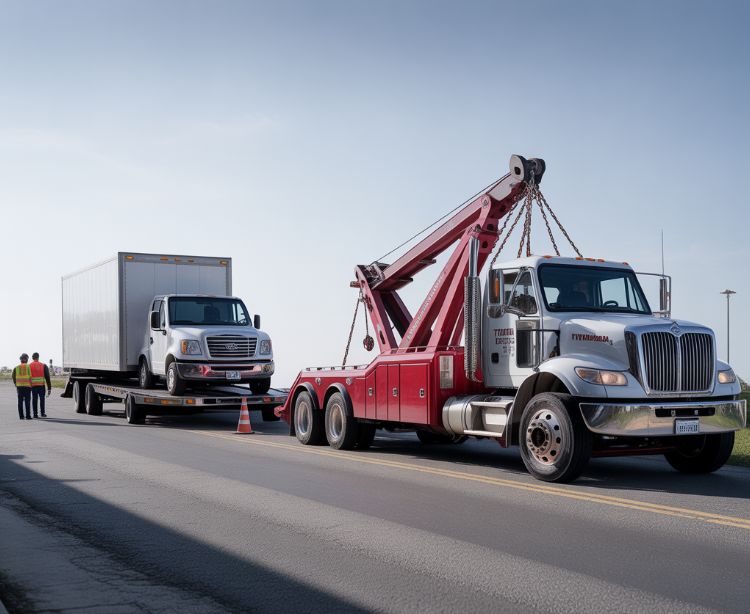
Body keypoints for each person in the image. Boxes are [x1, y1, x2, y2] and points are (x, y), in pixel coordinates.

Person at [29, 352, 51, 418]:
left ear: (32, 358)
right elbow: (47, 377)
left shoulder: (29, 366)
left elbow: (28, 377)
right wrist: (49, 388)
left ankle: (35, 414)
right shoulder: (43, 366)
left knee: (34, 399)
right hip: (41, 385)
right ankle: (42, 413)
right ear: (38, 357)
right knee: (42, 399)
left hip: (33, 386)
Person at [12, 354, 32, 420]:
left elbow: (13, 376)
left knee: (20, 402)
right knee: (27, 401)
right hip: (27, 386)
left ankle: (21, 416)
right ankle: (28, 416)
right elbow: (31, 376)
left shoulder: (16, 368)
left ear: (20, 360)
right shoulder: (29, 367)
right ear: (27, 359)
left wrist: (15, 383)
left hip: (19, 386)